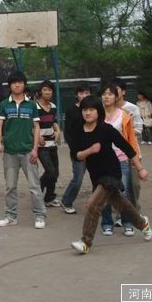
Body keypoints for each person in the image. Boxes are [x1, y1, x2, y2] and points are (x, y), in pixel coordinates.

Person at [70, 95, 152, 254]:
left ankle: (85, 242)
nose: (88, 113)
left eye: (91, 109)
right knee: (120, 203)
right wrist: (90, 151)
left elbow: (127, 148)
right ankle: (143, 223)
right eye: (85, 109)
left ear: (98, 111)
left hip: (111, 173)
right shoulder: (78, 132)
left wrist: (140, 168)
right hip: (96, 176)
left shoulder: (106, 129)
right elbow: (76, 155)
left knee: (92, 205)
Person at [0, 71, 46, 229]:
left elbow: (36, 127)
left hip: (28, 151)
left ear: (24, 84)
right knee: (10, 187)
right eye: (13, 82)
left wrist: (35, 149)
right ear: (10, 85)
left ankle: (40, 216)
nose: (17, 85)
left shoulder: (31, 105)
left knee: (34, 186)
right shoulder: (4, 105)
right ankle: (10, 216)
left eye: (20, 82)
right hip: (9, 152)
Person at [100, 83, 140, 237]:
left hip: (122, 158)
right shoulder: (97, 115)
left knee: (125, 192)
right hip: (102, 160)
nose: (106, 97)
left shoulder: (124, 115)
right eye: (104, 94)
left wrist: (136, 159)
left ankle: (127, 222)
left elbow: (130, 140)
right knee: (104, 193)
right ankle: (106, 223)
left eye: (110, 94)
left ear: (116, 97)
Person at [60, 83, 91, 214]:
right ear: (76, 95)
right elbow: (67, 132)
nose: (84, 95)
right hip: (78, 150)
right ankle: (66, 201)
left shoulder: (94, 108)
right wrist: (74, 149)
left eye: (86, 92)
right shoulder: (71, 110)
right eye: (81, 93)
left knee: (99, 178)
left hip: (94, 148)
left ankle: (101, 204)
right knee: (78, 178)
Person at [36, 80, 61, 208]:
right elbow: (31, 124)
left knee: (55, 173)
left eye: (50, 90)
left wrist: (58, 131)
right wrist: (37, 136)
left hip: (52, 144)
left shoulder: (53, 106)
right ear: (40, 92)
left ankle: (49, 198)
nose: (47, 92)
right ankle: (37, 191)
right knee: (50, 171)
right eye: (45, 90)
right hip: (41, 146)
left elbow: (53, 121)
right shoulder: (35, 107)